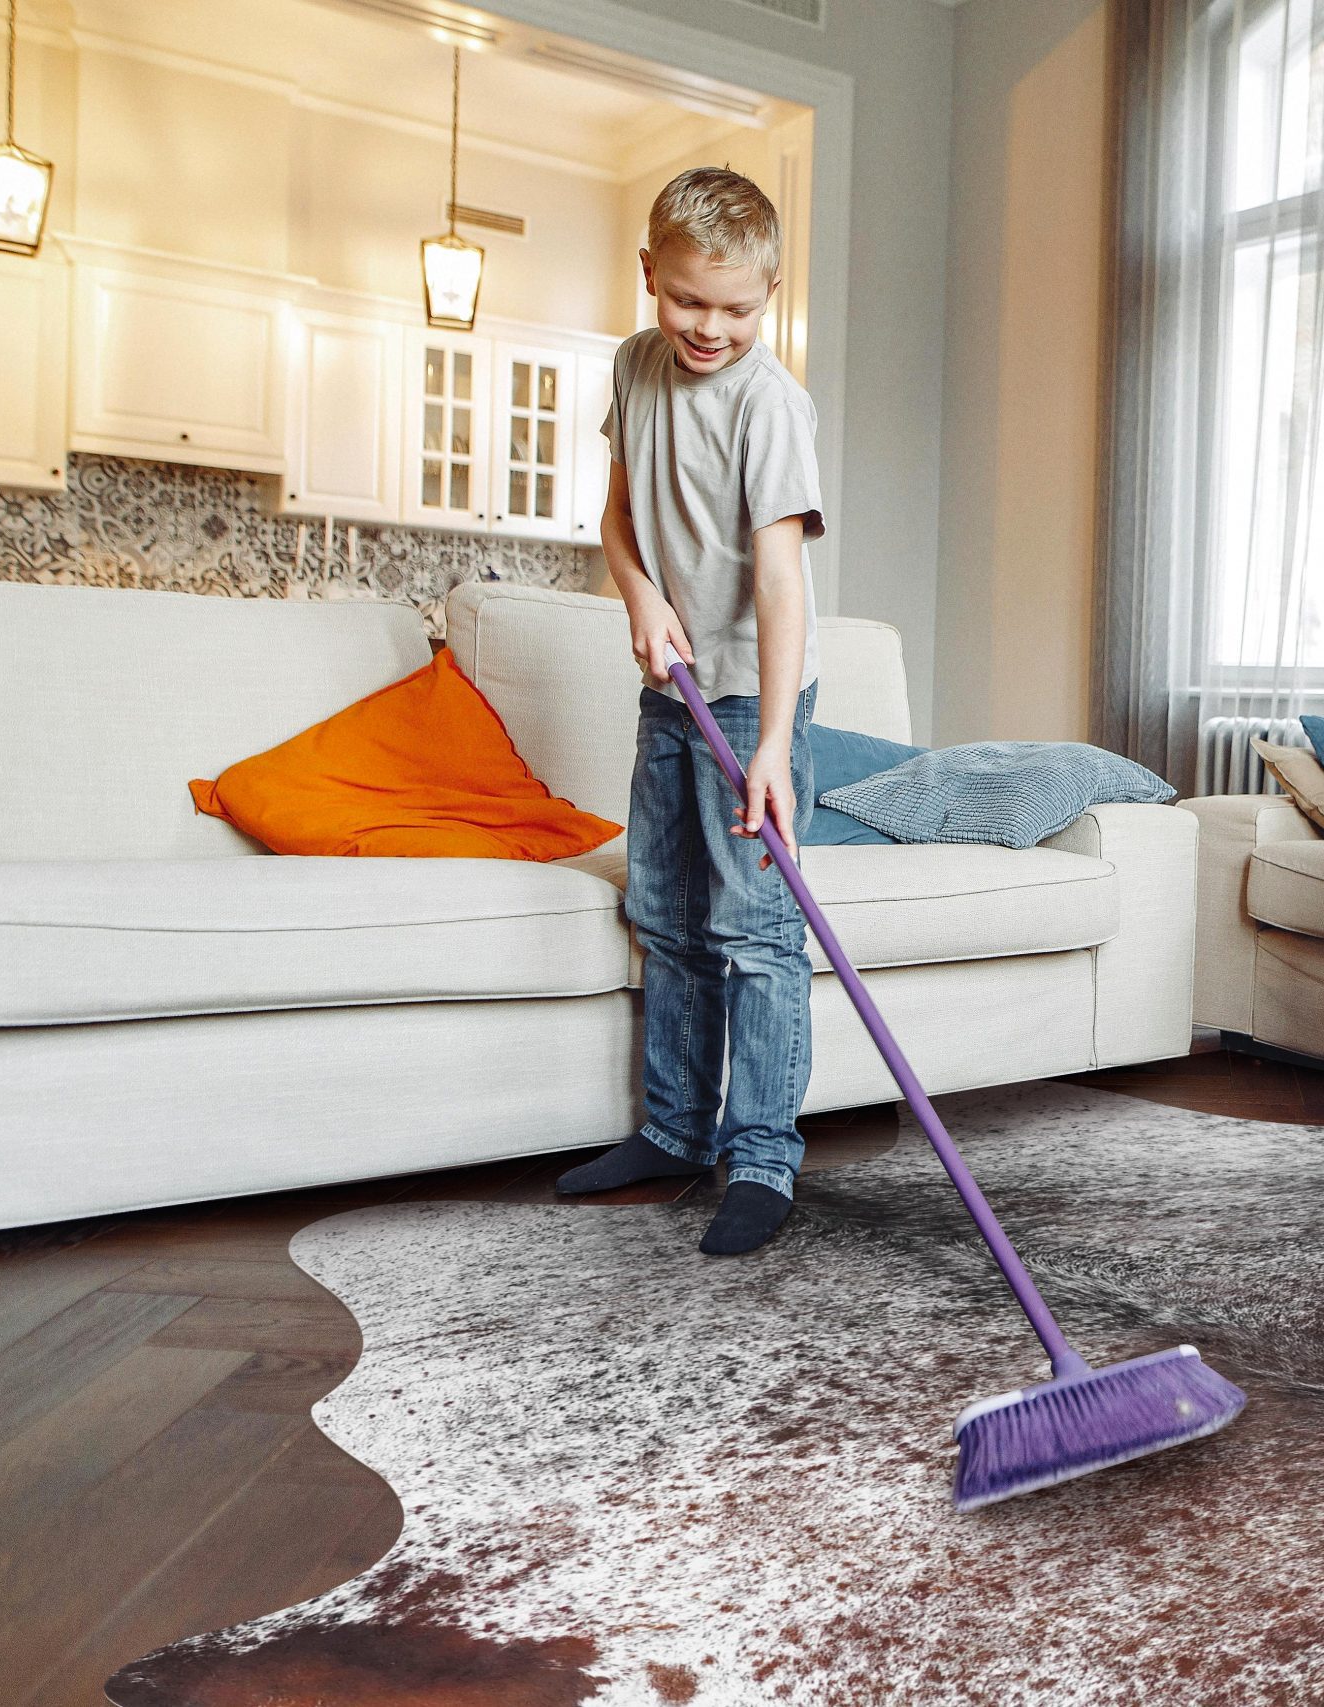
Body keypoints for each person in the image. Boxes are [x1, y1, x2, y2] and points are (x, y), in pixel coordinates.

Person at [555, 167, 826, 1257]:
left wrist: (773, 744)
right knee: (667, 916)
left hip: (753, 695)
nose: (710, 328)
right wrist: (640, 596)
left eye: (737, 308)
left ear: (770, 295)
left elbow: (780, 579)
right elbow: (616, 519)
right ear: (648, 276)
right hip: (672, 691)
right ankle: (675, 1131)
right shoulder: (633, 365)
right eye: (687, 300)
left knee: (754, 932)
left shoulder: (771, 404)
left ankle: (761, 1159)